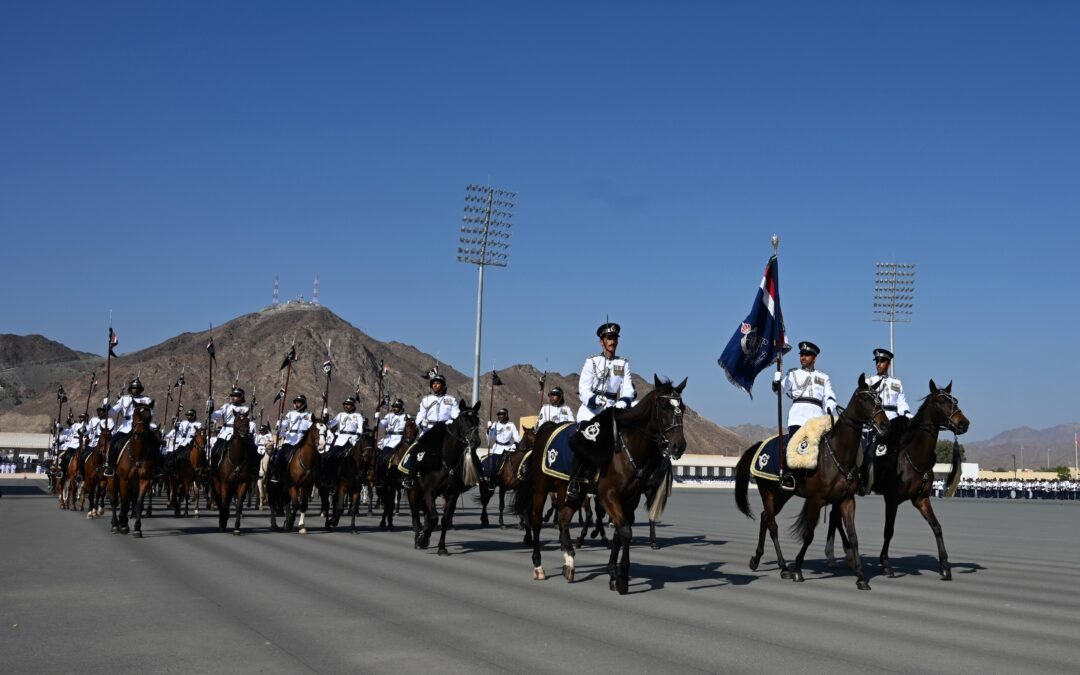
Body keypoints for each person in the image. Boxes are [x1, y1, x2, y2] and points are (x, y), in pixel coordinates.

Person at [567, 322, 635, 505]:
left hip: (614, 409)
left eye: (614, 339)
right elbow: (583, 389)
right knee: (582, 438)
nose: (612, 342)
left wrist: (622, 402)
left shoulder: (623, 364)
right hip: (591, 410)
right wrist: (596, 400)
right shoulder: (592, 362)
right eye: (608, 338)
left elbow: (628, 389)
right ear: (601, 342)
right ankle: (574, 481)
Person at [859, 348, 911, 494]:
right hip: (875, 421)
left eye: (882, 361)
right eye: (877, 361)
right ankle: (864, 481)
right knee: (867, 451)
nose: (878, 364)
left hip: (893, 421)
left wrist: (907, 414)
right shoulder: (869, 381)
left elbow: (902, 403)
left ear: (888, 363)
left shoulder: (897, 383)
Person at [404, 374, 460, 488]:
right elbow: (419, 416)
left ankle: (462, 476)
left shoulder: (451, 399)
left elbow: (456, 414)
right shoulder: (426, 400)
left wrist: (451, 421)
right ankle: (410, 476)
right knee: (414, 449)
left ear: (443, 386)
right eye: (433, 383)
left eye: (438, 383)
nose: (435, 385)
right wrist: (421, 422)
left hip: (445, 430)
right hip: (429, 430)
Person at [772, 341, 836, 434]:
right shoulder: (793, 374)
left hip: (817, 418)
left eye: (807, 355)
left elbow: (829, 394)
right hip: (797, 419)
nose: (803, 357)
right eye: (801, 354)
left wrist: (830, 404)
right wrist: (776, 382)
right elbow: (779, 391)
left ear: (814, 358)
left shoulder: (824, 377)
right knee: (794, 448)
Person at [104, 378, 155, 477]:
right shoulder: (124, 399)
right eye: (133, 388)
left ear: (141, 389)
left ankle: (157, 467)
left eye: (137, 388)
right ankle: (111, 466)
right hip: (126, 426)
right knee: (113, 442)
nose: (135, 390)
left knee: (155, 442)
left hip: (141, 425)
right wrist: (107, 407)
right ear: (130, 389)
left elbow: (151, 413)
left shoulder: (146, 399)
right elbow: (113, 412)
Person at [269, 395, 313, 483]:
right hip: (290, 440)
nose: (297, 404)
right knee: (279, 454)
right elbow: (285, 425)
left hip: (303, 440)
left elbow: (311, 427)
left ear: (304, 404)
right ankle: (276, 474)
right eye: (296, 402)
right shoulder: (290, 413)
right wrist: (280, 423)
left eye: (299, 402)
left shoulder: (309, 415)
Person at [208, 387, 249, 472]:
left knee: (252, 448)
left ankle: (254, 470)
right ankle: (213, 470)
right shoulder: (226, 407)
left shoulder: (245, 409)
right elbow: (214, 415)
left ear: (241, 397)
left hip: (240, 433)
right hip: (225, 432)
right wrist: (210, 409)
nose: (233, 397)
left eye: (236, 396)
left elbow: (246, 422)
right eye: (232, 396)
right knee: (215, 449)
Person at [376, 399, 408, 487]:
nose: (394, 408)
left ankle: (407, 478)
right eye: (393, 407)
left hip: (400, 438)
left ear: (401, 407)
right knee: (381, 457)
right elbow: (381, 424)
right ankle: (380, 477)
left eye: (397, 407)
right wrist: (377, 414)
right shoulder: (389, 415)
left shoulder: (406, 416)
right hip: (389, 439)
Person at [485, 408, 521, 484]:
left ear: (506, 415)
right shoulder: (495, 425)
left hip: (508, 448)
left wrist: (515, 444)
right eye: (499, 415)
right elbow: (490, 438)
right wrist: (489, 430)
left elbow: (517, 438)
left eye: (502, 415)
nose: (500, 416)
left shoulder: (511, 425)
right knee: (493, 463)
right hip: (497, 448)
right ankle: (492, 481)